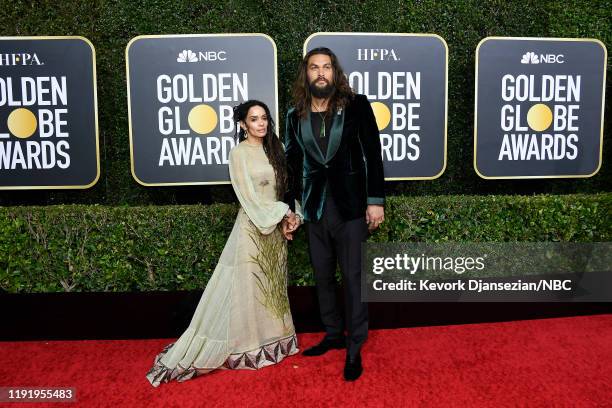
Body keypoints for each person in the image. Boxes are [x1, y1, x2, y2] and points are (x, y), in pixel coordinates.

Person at [147, 100, 301, 387]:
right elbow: (249, 198)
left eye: (264, 118)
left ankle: (275, 342)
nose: (261, 123)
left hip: (276, 230)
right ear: (242, 124)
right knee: (248, 288)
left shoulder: (275, 150)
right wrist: (281, 213)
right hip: (253, 228)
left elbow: (286, 191)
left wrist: (292, 216)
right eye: (254, 119)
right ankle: (246, 345)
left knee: (272, 286)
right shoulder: (239, 154)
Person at [282, 47, 385, 381]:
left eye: (327, 67)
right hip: (314, 207)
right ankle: (333, 334)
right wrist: (290, 208)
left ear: (335, 73)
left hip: (351, 206)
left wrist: (375, 200)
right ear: (306, 74)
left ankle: (355, 345)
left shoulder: (357, 105)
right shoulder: (293, 114)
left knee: (353, 278)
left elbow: (373, 153)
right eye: (315, 67)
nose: (321, 73)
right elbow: (292, 165)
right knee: (323, 275)